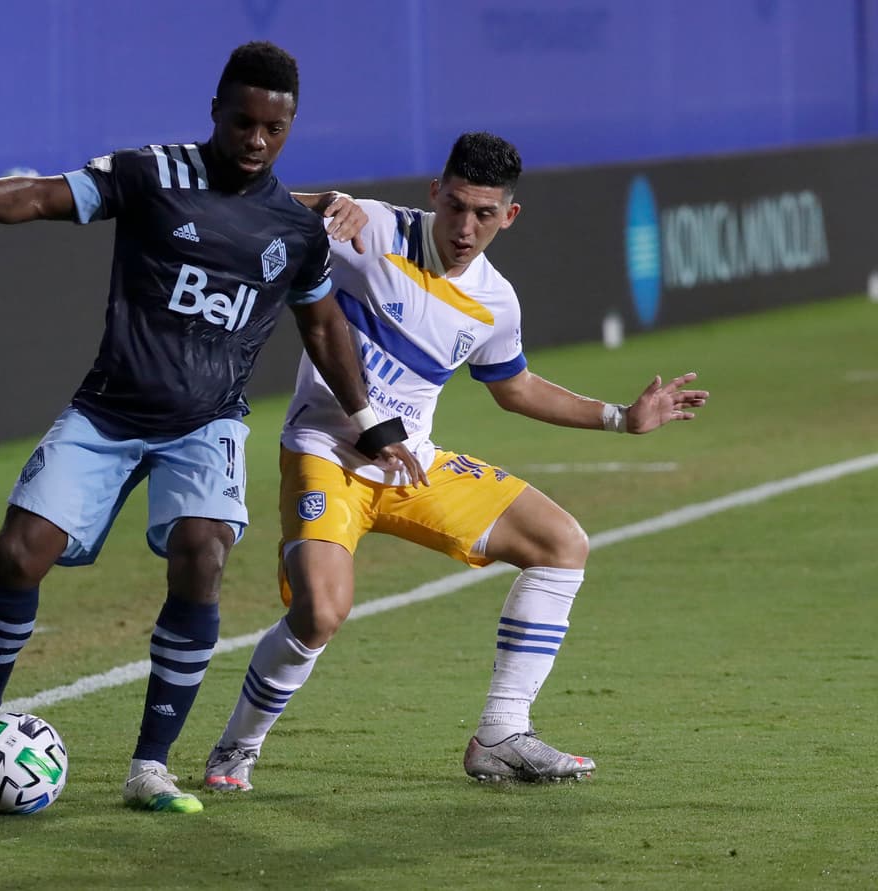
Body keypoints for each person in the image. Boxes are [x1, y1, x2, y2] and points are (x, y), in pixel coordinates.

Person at [0, 41, 421, 814]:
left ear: (290, 127)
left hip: (206, 423)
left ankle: (150, 767)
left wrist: (370, 419)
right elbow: (41, 196)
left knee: (204, 555)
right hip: (109, 409)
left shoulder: (296, 229)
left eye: (273, 128)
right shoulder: (150, 174)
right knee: (18, 552)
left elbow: (324, 323)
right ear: (216, 111)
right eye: (243, 121)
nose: (256, 139)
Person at [202, 131, 709, 791]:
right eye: (456, 206)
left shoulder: (496, 302)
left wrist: (620, 417)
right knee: (320, 611)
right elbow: (259, 203)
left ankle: (501, 733)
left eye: (484, 214)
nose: (466, 228)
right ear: (435, 192)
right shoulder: (373, 228)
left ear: (510, 216)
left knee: (561, 543)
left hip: (412, 468)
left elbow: (514, 387)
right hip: (327, 454)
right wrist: (322, 201)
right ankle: (235, 750)